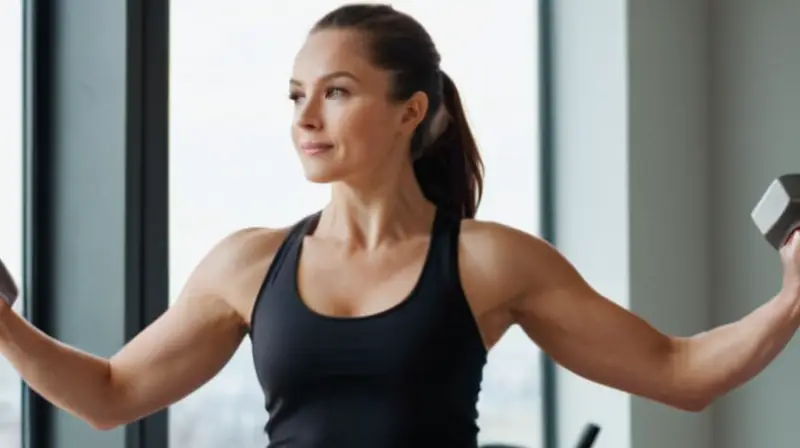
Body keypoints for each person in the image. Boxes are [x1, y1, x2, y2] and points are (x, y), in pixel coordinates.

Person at [0, 3, 799, 447]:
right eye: (295, 94)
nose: (305, 116)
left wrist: (791, 298)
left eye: (336, 92)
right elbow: (109, 396)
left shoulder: (489, 263)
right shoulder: (248, 265)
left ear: (410, 110)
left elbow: (680, 372)